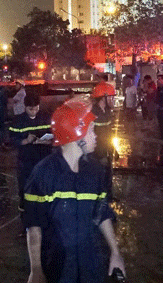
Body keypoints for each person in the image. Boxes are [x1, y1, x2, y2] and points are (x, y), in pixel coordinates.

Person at [24, 96, 126, 283]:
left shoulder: (95, 171)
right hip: (58, 266)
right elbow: (34, 225)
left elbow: (102, 214)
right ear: (76, 134)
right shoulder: (44, 173)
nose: (95, 136)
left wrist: (115, 253)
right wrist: (36, 270)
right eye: (91, 130)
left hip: (92, 264)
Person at [8, 92, 52, 228]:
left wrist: (48, 141)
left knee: (43, 189)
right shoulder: (18, 121)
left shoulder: (45, 117)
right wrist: (25, 141)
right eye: (30, 109)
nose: (34, 111)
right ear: (25, 107)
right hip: (26, 162)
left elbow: (54, 135)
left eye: (36, 108)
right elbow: (11, 140)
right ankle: (25, 221)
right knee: (25, 190)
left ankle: (44, 218)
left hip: (43, 159)